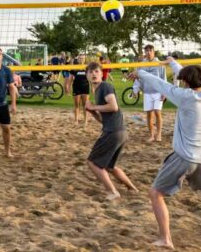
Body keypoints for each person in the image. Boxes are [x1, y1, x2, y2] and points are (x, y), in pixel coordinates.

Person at [130, 57, 201, 250]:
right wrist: (172, 62)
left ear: (187, 83)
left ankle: (165, 239)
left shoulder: (185, 97)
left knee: (155, 193)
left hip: (184, 158)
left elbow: (160, 84)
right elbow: (187, 74)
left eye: (183, 80)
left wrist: (140, 72)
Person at [84, 62, 138, 200]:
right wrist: (92, 112)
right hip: (119, 131)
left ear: (102, 74)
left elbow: (113, 107)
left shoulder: (105, 86)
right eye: (90, 72)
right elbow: (104, 119)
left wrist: (94, 106)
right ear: (86, 75)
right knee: (110, 167)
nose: (93, 74)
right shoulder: (98, 91)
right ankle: (133, 189)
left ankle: (113, 192)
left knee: (93, 163)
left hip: (113, 132)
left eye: (96, 71)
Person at [133, 44, 167, 142]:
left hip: (158, 91)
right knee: (149, 114)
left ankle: (159, 134)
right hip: (147, 92)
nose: (148, 52)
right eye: (146, 51)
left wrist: (164, 92)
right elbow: (138, 78)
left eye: (150, 50)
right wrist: (135, 90)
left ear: (153, 52)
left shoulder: (159, 63)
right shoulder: (142, 64)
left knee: (157, 112)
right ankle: (151, 135)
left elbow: (163, 78)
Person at [68, 53, 90, 125]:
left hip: (85, 87)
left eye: (82, 58)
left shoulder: (87, 67)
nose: (81, 59)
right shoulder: (74, 67)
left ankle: (85, 120)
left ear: (84, 59)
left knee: (85, 105)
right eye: (80, 58)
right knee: (77, 105)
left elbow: (90, 78)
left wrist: (93, 87)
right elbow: (70, 78)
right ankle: (76, 120)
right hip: (76, 87)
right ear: (78, 59)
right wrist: (68, 86)